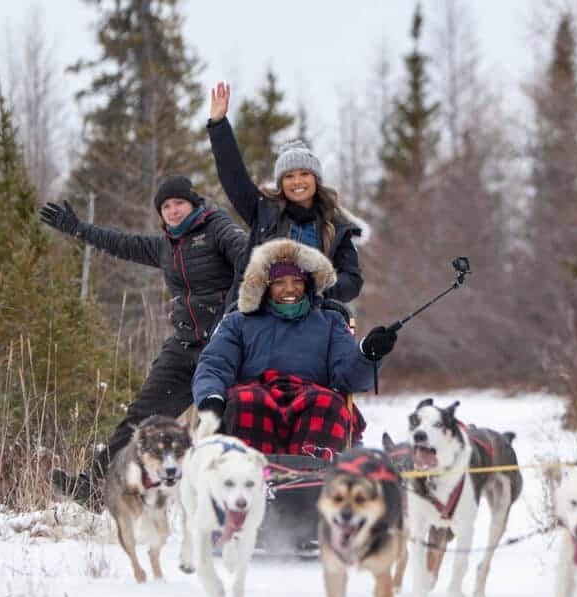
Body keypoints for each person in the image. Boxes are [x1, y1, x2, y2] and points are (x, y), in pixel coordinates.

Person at [39, 175, 249, 510]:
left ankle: (242, 499)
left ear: (193, 203)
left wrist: (231, 314)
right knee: (142, 416)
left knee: (230, 423)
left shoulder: (217, 228)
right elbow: (123, 243)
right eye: (165, 206)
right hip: (184, 346)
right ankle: (95, 487)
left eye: (179, 203)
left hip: (226, 346)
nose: (173, 210)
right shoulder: (166, 246)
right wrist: (80, 230)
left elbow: (249, 259)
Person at [192, 238, 397, 456]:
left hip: (312, 396)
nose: (289, 289)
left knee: (328, 403)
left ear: (308, 284)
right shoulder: (239, 321)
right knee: (246, 401)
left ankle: (313, 472)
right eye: (279, 282)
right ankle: (249, 471)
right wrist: (211, 397)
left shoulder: (331, 321)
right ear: (265, 286)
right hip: (256, 393)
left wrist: (368, 353)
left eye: (297, 281)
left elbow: (348, 378)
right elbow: (214, 364)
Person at [207, 81, 363, 305]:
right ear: (281, 183)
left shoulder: (336, 224)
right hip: (261, 313)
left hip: (313, 313)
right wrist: (219, 125)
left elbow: (353, 280)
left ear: (316, 179)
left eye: (304, 174)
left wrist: (321, 288)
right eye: (289, 176)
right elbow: (234, 176)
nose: (297, 182)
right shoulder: (262, 210)